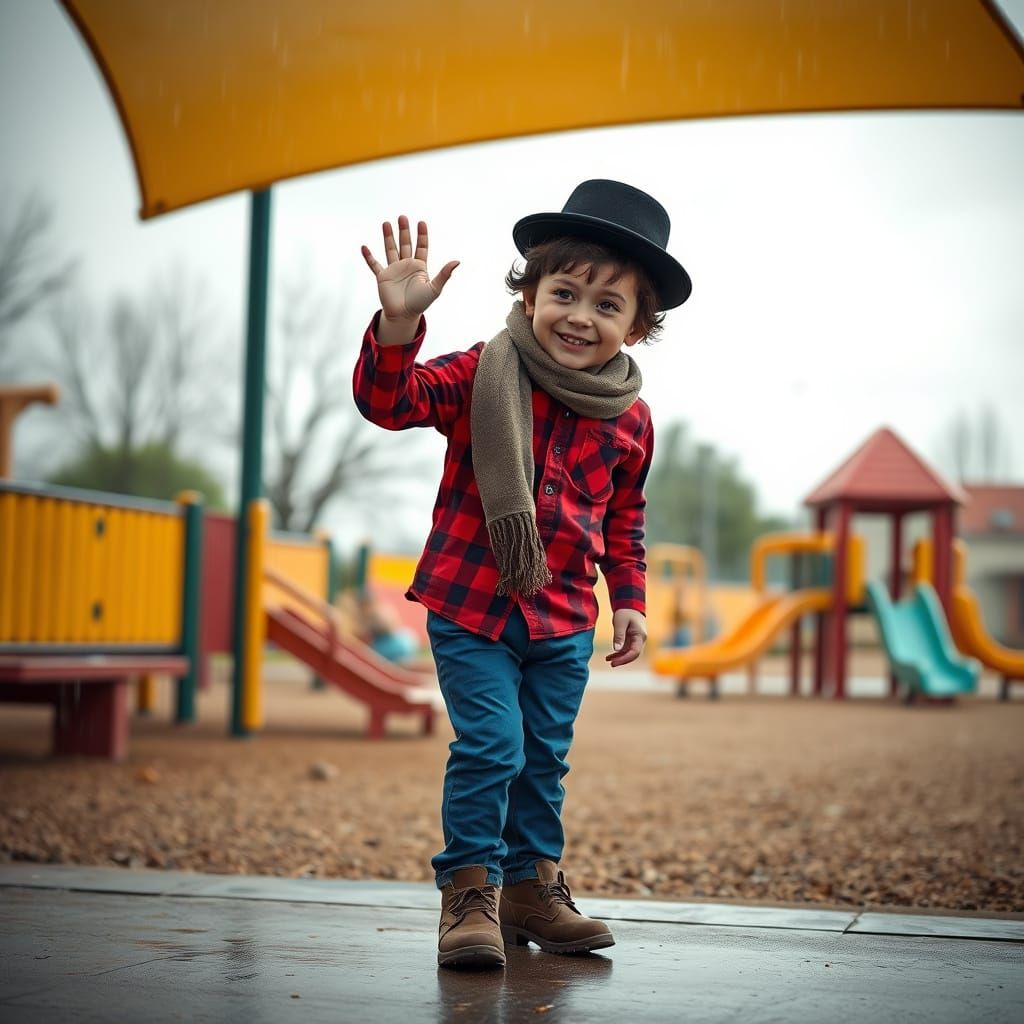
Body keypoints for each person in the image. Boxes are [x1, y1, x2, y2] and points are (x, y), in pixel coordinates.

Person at [354, 179, 691, 969]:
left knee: (544, 756)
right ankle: (469, 895)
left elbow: (624, 522)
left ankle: (531, 890)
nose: (581, 315)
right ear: (530, 292)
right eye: (565, 293)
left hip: (566, 618)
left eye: (608, 306)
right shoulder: (484, 370)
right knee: (493, 746)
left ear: (637, 328)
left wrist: (631, 604)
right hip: (473, 606)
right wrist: (399, 322)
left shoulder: (630, 418)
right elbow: (390, 401)